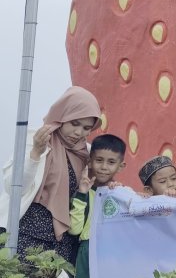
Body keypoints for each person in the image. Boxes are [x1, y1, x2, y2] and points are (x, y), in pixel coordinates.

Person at [0, 86, 101, 266]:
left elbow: (103, 178)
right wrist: (35, 154)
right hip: (27, 233)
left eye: (87, 128)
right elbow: (13, 187)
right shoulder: (36, 138)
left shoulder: (85, 153)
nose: (79, 133)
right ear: (61, 117)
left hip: (64, 240)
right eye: (74, 123)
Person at [69, 133, 126, 278]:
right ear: (90, 161)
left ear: (121, 165)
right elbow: (74, 228)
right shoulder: (85, 190)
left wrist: (119, 193)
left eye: (110, 162)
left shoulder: (120, 193)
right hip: (86, 253)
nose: (104, 166)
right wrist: (82, 192)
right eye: (99, 160)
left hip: (110, 257)